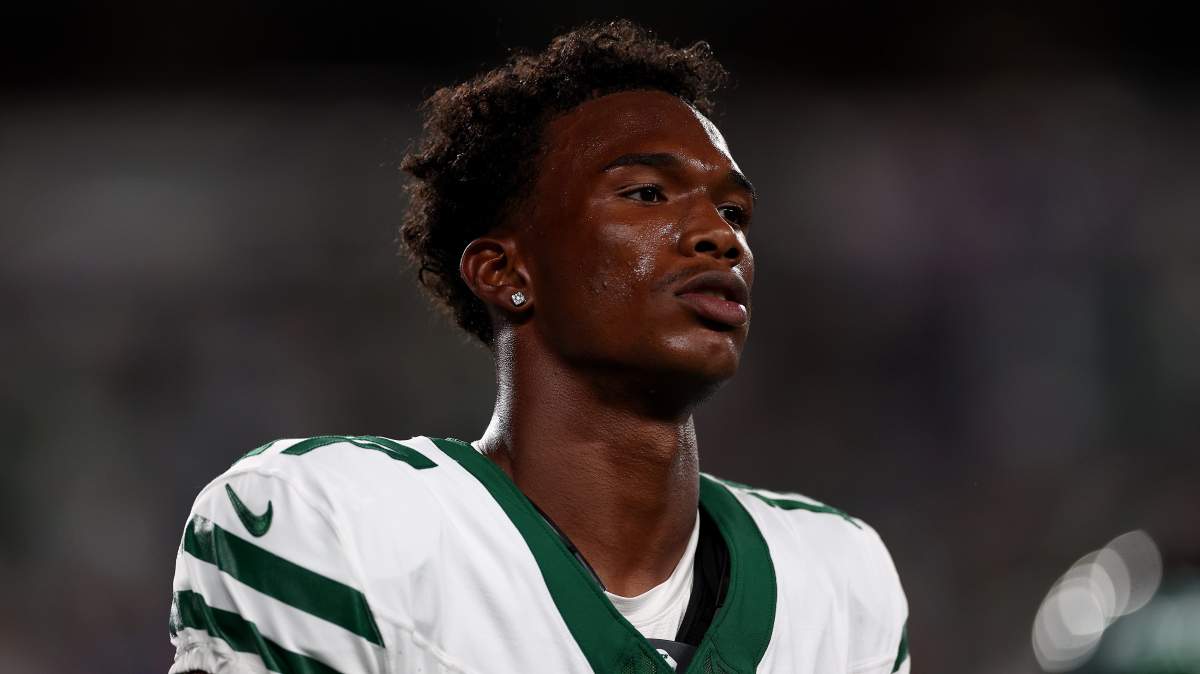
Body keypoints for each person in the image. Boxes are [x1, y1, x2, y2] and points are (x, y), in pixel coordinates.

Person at [167, 19, 910, 674]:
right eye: (647, 194)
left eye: (735, 211)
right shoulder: (330, 525)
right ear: (505, 273)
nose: (721, 236)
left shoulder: (840, 579)